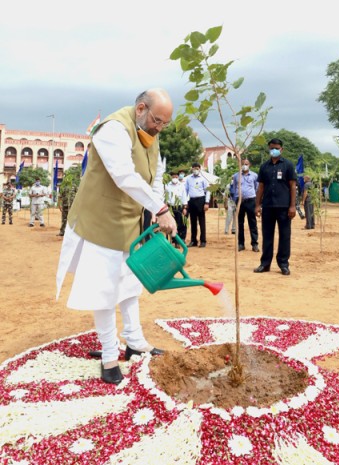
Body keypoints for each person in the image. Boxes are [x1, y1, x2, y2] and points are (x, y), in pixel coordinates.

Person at [56, 88, 177, 385]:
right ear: (140, 109)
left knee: (129, 283)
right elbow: (123, 175)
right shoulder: (113, 129)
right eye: (157, 121)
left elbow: (155, 176)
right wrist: (160, 208)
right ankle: (110, 354)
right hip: (100, 222)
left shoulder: (151, 134)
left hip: (129, 222)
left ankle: (135, 342)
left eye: (164, 124)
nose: (159, 128)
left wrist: (153, 210)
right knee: (104, 289)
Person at [254, 138, 297, 275]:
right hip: (268, 206)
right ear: (269, 149)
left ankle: (283, 264)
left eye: (277, 148)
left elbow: (292, 186)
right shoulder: (264, 167)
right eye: (272, 148)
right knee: (267, 236)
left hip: (284, 207)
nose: (274, 150)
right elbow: (260, 187)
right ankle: (265, 264)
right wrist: (257, 205)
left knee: (284, 236)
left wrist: (292, 206)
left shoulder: (288, 165)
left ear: (281, 149)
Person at [233, 159, 259, 252]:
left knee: (252, 222)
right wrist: (235, 199)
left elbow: (257, 187)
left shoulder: (254, 175)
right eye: (243, 164)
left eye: (246, 164)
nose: (244, 165)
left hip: (251, 200)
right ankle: (241, 244)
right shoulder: (236, 176)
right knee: (240, 223)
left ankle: (254, 244)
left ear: (250, 165)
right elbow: (235, 187)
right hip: (240, 201)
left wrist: (256, 201)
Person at [185, 162, 210, 247]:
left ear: (200, 169)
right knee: (193, 222)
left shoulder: (203, 178)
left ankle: (203, 241)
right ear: (191, 169)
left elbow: (208, 191)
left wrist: (206, 202)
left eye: (197, 168)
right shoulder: (188, 179)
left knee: (202, 222)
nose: (195, 169)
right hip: (191, 201)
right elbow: (186, 190)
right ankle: (193, 241)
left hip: (201, 200)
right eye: (194, 168)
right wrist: (185, 202)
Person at [165, 171, 188, 247]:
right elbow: (166, 196)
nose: (175, 178)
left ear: (178, 177)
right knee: (171, 224)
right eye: (173, 177)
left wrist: (184, 208)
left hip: (179, 206)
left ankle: (178, 241)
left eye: (176, 177)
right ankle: (172, 240)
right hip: (170, 207)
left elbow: (184, 197)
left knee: (179, 224)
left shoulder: (181, 186)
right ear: (171, 177)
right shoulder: (167, 185)